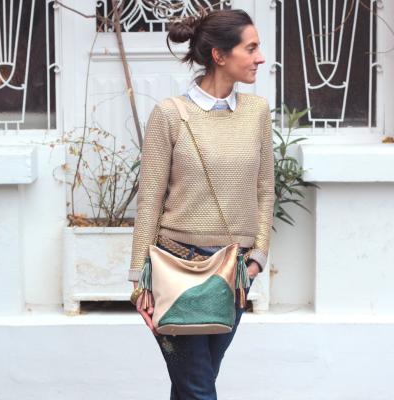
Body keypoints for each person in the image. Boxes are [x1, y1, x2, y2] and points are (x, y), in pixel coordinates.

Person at [127, 8, 275, 400]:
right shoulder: (170, 115)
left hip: (234, 274)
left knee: (194, 383)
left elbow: (265, 189)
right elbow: (149, 200)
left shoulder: (257, 112)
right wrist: (140, 280)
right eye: (251, 48)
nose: (260, 58)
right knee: (197, 388)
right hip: (177, 269)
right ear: (219, 55)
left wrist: (257, 257)